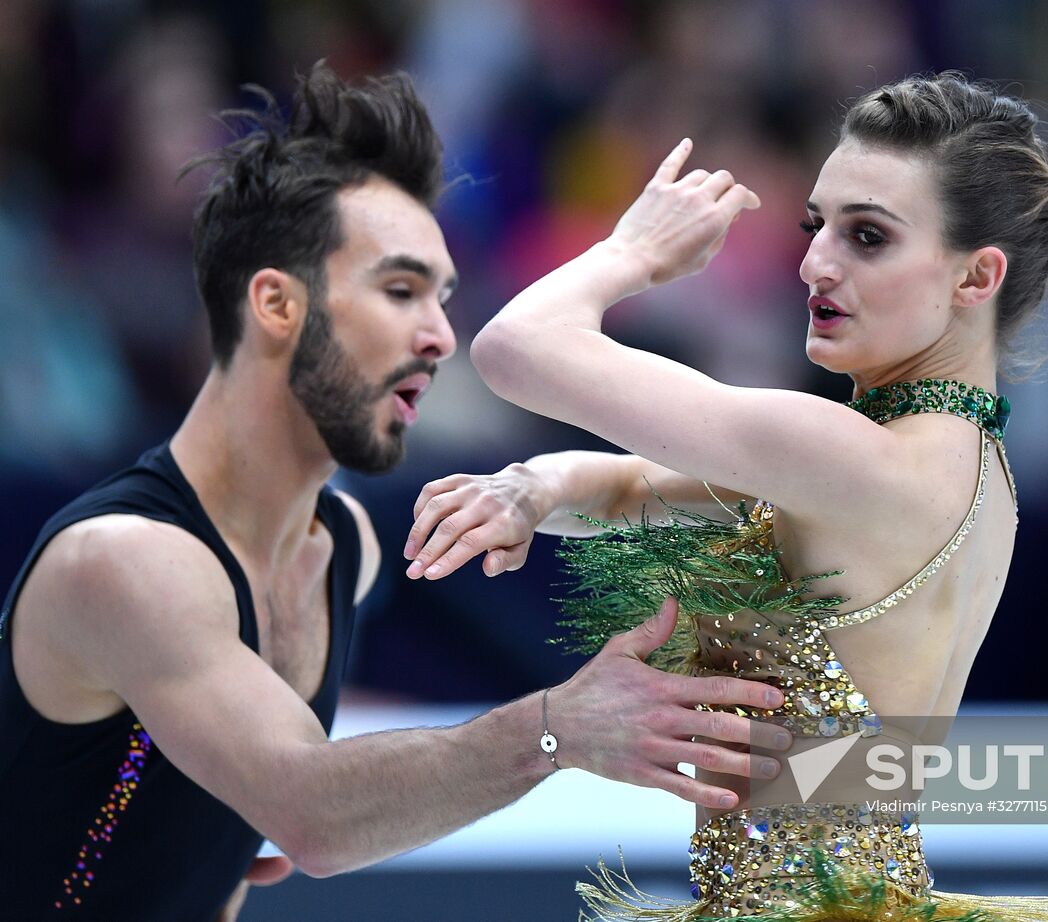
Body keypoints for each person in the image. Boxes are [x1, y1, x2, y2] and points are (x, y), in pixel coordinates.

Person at [408, 73, 1048, 919]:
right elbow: (634, 485)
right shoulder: (956, 465)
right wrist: (529, 485)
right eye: (817, 226)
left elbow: (514, 348)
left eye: (868, 237)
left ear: (976, 277)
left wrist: (633, 252)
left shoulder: (859, 463)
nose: (814, 263)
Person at [0, 63, 790, 922]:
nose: (441, 335)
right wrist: (558, 726)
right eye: (402, 290)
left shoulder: (342, 539)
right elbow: (315, 814)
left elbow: (267, 828)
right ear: (276, 305)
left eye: (443, 298)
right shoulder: (125, 560)